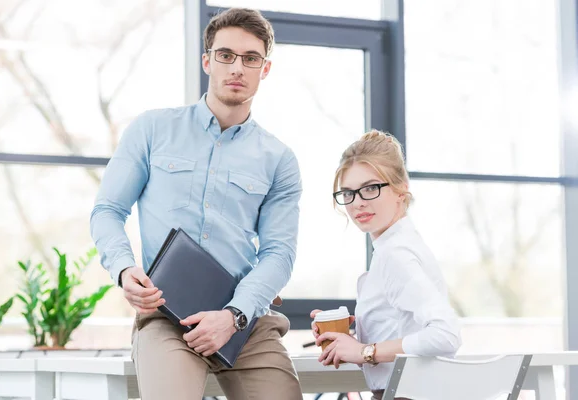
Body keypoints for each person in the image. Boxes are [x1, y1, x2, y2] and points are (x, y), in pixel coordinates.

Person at [90, 8, 304, 400]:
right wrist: (123, 269)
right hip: (167, 316)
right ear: (207, 61)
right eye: (226, 55)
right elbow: (107, 211)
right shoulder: (152, 129)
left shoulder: (279, 159)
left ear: (265, 69)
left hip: (245, 322)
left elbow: (279, 253)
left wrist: (234, 316)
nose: (237, 67)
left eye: (250, 58)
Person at [310, 130, 461, 400]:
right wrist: (353, 340)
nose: (357, 203)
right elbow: (406, 328)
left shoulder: (395, 253)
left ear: (400, 188)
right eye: (348, 193)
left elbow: (445, 335)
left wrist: (364, 351)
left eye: (370, 188)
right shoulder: (400, 244)